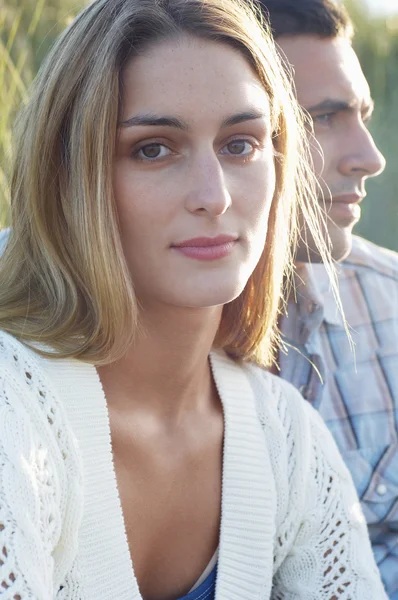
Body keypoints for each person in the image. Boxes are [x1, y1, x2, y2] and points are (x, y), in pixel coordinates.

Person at [0, 0, 387, 598]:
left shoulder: (286, 435)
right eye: (153, 148)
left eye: (240, 144)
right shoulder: (14, 411)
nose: (215, 196)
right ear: (71, 177)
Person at [258, 0, 398, 597]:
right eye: (324, 118)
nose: (370, 158)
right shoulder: (27, 306)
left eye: (362, 115)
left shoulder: (389, 306)